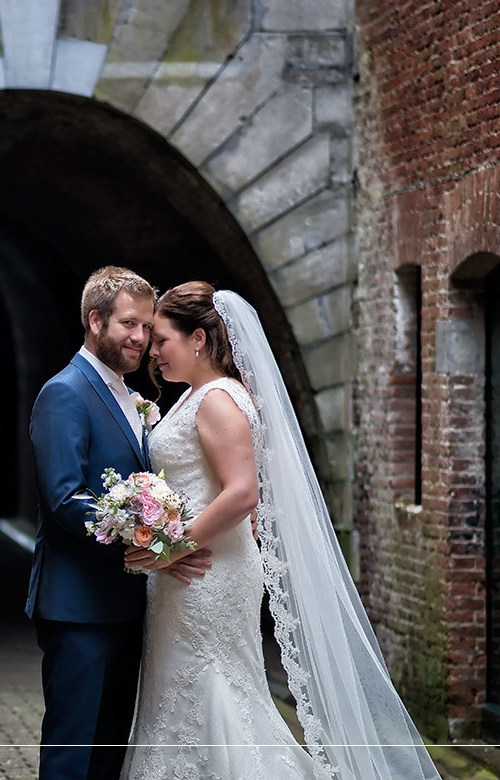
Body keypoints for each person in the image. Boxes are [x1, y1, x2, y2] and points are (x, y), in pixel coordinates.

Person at [120, 282, 441, 780]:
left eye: (162, 339)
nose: (153, 352)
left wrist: (168, 547)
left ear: (200, 339)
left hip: (206, 574)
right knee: (190, 690)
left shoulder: (216, 400)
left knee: (213, 689)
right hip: (194, 570)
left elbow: (243, 492)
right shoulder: (198, 396)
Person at [25, 267, 212, 780]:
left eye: (148, 327)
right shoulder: (64, 392)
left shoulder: (130, 398)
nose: (140, 337)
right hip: (79, 606)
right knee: (72, 748)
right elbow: (65, 498)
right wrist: (147, 545)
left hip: (127, 605)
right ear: (95, 321)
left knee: (110, 750)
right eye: (129, 324)